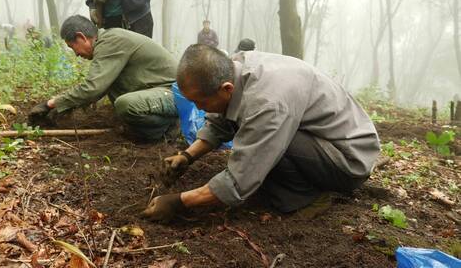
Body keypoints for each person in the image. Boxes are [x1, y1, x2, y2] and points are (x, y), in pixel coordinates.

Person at [141, 45, 381, 223]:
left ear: (226, 89)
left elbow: (239, 180)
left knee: (268, 145)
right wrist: (187, 156)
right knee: (258, 133)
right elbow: (220, 119)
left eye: (200, 102)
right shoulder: (233, 69)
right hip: (321, 139)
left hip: (348, 159)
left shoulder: (267, 103)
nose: (199, 109)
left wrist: (178, 202)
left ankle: (309, 197)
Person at [27, 15, 178, 141]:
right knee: (118, 97)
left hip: (175, 94)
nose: (76, 54)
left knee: (126, 104)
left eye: (73, 47)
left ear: (81, 37)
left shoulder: (110, 42)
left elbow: (93, 88)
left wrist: (51, 104)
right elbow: (99, 88)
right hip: (161, 93)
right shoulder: (108, 40)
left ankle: (170, 130)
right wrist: (61, 108)